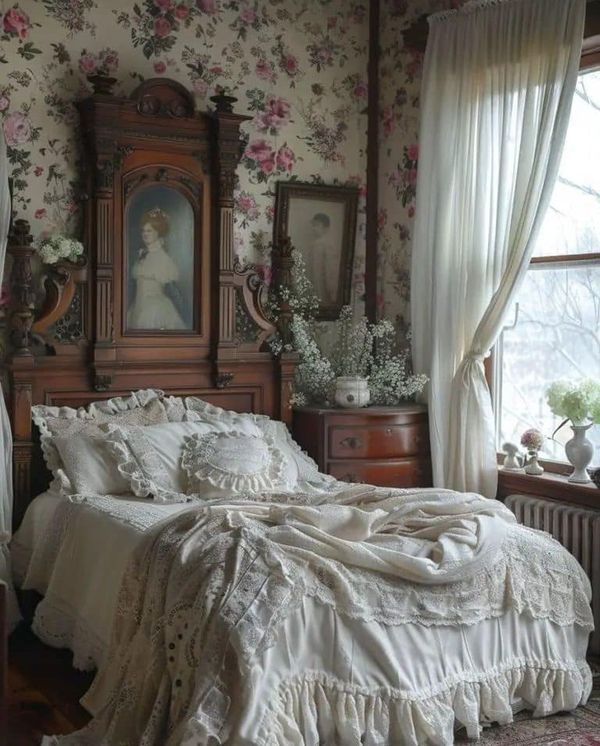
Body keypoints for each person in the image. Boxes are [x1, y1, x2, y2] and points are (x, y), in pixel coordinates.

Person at [127, 207, 187, 330]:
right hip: (137, 307)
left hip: (155, 310)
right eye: (143, 230)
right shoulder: (142, 255)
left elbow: (170, 285)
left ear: (158, 232)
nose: (145, 234)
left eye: (149, 231)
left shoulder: (162, 258)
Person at [306, 212, 337, 304]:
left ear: (326, 228)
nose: (314, 228)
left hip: (323, 282)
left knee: (323, 301)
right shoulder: (315, 243)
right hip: (314, 280)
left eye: (317, 225)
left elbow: (330, 267)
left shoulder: (327, 244)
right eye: (313, 225)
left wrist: (331, 288)